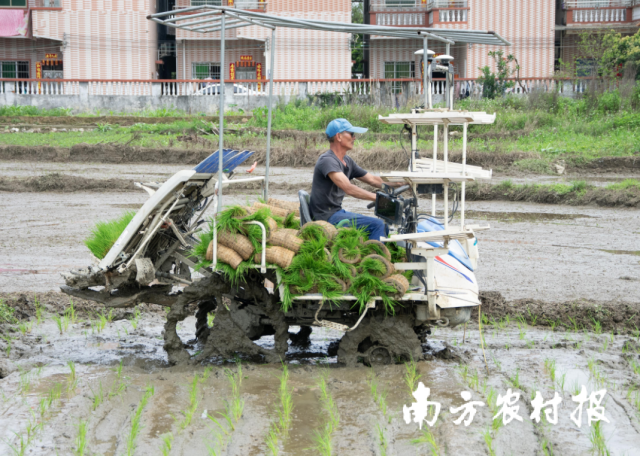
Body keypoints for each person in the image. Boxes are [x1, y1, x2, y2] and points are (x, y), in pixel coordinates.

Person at [309, 118, 400, 241]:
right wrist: (379, 198)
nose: (354, 138)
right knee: (378, 225)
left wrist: (402, 182)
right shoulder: (327, 160)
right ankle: (373, 259)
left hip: (337, 212)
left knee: (385, 227)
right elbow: (349, 188)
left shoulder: (347, 161)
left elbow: (373, 180)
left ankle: (369, 252)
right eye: (351, 134)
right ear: (339, 137)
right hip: (327, 217)